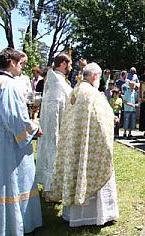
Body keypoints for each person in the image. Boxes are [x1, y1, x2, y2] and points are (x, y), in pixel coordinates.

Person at [0, 48, 42, 235]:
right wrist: (34, 128)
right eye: (21, 64)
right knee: (12, 182)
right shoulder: (9, 84)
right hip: (8, 146)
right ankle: (12, 226)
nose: (22, 69)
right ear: (12, 63)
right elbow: (15, 118)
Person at [48, 62, 119, 227]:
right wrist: (111, 119)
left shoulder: (77, 90)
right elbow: (100, 119)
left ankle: (73, 215)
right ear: (95, 76)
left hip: (75, 144)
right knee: (90, 172)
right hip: (90, 146)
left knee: (76, 171)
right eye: (99, 77)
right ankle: (95, 216)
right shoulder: (92, 94)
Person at [36, 53, 73, 196]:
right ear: (63, 64)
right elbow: (66, 102)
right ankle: (52, 191)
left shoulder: (54, 79)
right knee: (53, 154)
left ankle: (49, 188)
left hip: (51, 125)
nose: (70, 67)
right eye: (69, 64)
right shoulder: (57, 81)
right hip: (55, 126)